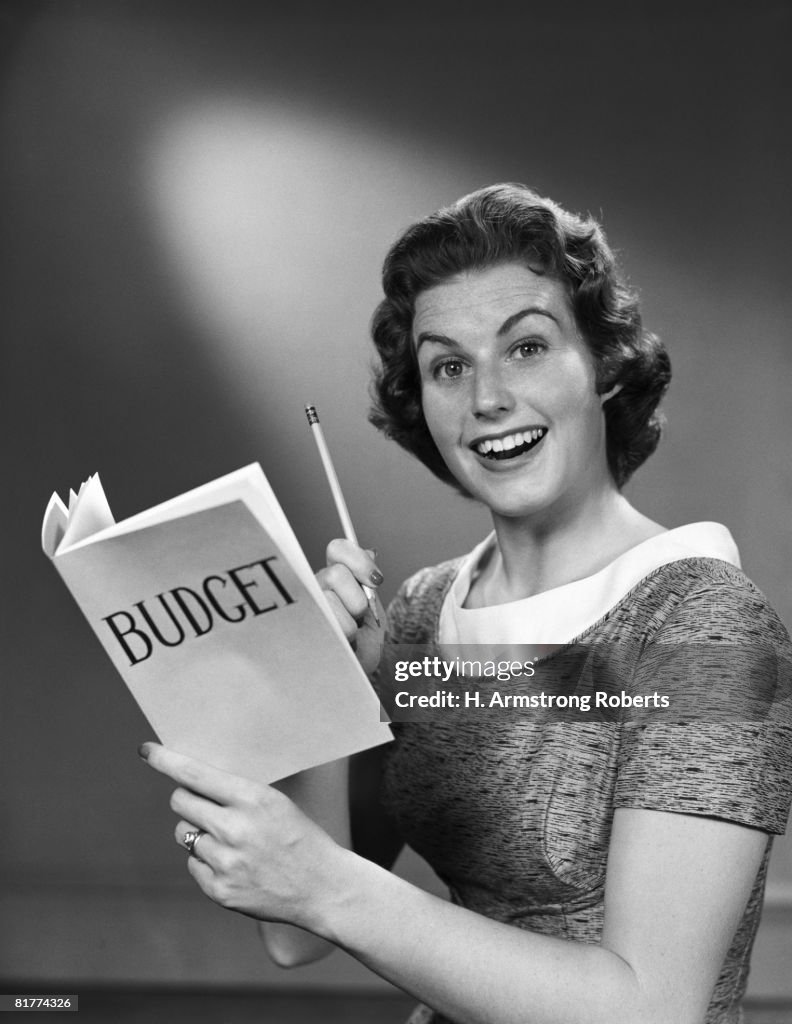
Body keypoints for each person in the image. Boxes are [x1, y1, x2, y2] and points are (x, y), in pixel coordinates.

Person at [139, 184, 792, 1024]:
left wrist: (326, 885)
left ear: (602, 367)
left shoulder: (705, 624)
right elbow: (298, 934)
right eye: (449, 364)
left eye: (525, 348)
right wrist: (315, 681)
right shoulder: (418, 615)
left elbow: (651, 1009)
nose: (487, 396)